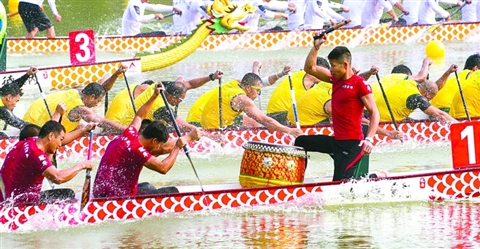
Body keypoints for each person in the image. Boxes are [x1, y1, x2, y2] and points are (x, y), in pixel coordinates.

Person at [295, 34, 380, 181]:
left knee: (340, 185)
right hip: (337, 141)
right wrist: (316, 47)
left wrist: (369, 139)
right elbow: (310, 68)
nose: (331, 69)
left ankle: (376, 178)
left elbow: (374, 113)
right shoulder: (335, 79)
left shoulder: (359, 84)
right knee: (300, 142)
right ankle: (296, 181)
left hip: (353, 145)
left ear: (345, 65)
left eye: (333, 66)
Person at [92, 83, 200, 198]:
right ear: (154, 141)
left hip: (99, 191)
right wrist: (179, 146)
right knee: (172, 191)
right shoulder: (137, 150)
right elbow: (163, 168)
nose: (158, 148)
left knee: (147, 186)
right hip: (114, 198)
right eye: (158, 145)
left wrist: (154, 95)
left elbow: (139, 116)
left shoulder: (129, 134)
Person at [0, 121, 93, 204]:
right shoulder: (36, 154)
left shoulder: (29, 141)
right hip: (19, 204)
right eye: (60, 140)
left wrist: (84, 130)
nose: (60, 144)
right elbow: (58, 178)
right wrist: (82, 165)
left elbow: (61, 138)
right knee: (67, 194)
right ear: (51, 136)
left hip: (6, 196)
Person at [23, 66, 128, 133]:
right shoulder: (81, 109)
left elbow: (102, 88)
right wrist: (128, 131)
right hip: (42, 132)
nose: (97, 104)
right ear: (91, 97)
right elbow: (102, 122)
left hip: (40, 119)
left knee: (81, 126)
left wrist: (115, 74)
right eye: (98, 101)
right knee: (84, 127)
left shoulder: (79, 91)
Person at [200, 72, 304, 136]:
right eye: (257, 90)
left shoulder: (235, 83)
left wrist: (280, 74)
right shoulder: (243, 99)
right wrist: (289, 131)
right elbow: (265, 120)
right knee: (257, 121)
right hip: (214, 132)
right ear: (248, 88)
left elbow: (256, 81)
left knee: (250, 121)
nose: (259, 93)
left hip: (207, 123)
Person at [119, 71, 224, 133]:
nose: (180, 102)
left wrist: (212, 77)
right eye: (180, 100)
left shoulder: (164, 86)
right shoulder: (161, 107)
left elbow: (190, 84)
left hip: (138, 122)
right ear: (173, 97)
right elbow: (183, 126)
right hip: (130, 130)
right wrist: (212, 137)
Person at [376, 78, 458, 123]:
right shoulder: (417, 98)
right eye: (430, 99)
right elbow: (440, 114)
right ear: (428, 94)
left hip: (374, 116)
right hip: (384, 122)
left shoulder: (410, 83)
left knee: (413, 120)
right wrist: (459, 125)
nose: (428, 101)